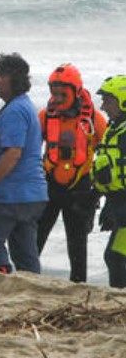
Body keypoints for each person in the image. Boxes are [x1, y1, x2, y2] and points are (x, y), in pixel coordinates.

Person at [0, 53, 48, 274]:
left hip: (12, 194)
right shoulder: (24, 106)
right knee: (25, 252)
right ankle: (32, 288)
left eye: (0, 75)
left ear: (14, 79)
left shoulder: (15, 111)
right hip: (33, 195)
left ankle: (3, 281)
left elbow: (13, 153)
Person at [36, 64, 105, 282]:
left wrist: (100, 189)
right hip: (49, 185)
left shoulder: (95, 119)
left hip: (81, 189)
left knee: (77, 244)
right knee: (35, 238)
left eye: (61, 93)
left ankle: (78, 285)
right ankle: (25, 277)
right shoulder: (45, 116)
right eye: (53, 93)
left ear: (75, 91)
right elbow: (29, 149)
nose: (56, 98)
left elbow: (111, 152)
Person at [92, 75, 126, 288]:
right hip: (117, 202)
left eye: (108, 101)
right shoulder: (114, 130)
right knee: (115, 257)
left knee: (115, 257)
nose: (103, 107)